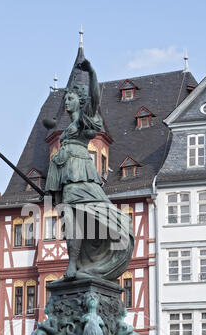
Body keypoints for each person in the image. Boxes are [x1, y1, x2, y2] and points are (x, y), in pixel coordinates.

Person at [45, 58, 134, 282]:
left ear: (81, 100)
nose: (67, 100)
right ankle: (73, 264)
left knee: (100, 212)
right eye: (66, 97)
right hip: (65, 179)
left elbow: (95, 97)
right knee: (71, 224)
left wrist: (92, 72)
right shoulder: (65, 131)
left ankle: (108, 245)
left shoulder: (85, 121)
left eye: (71, 97)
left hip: (82, 176)